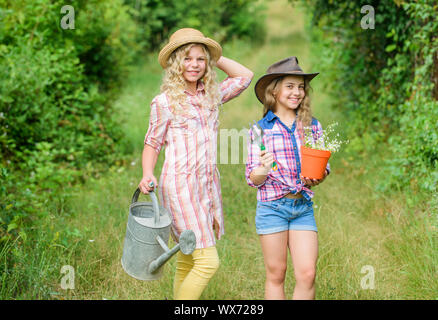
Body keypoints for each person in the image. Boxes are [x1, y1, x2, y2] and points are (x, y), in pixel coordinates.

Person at [138, 28, 253, 300]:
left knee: (188, 256)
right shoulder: (164, 102)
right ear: (177, 62)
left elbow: (245, 76)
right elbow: (152, 143)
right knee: (207, 261)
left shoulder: (212, 95)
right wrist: (146, 173)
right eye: (187, 58)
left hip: (205, 185)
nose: (194, 65)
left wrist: (215, 55)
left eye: (200, 59)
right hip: (179, 185)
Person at [245, 56, 330, 300]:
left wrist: (318, 176)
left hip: (302, 205)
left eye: (301, 87)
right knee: (277, 273)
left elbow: (323, 168)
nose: (297, 92)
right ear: (275, 90)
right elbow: (253, 179)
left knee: (307, 273)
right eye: (290, 86)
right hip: (273, 207)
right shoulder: (261, 130)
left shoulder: (312, 126)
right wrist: (263, 167)